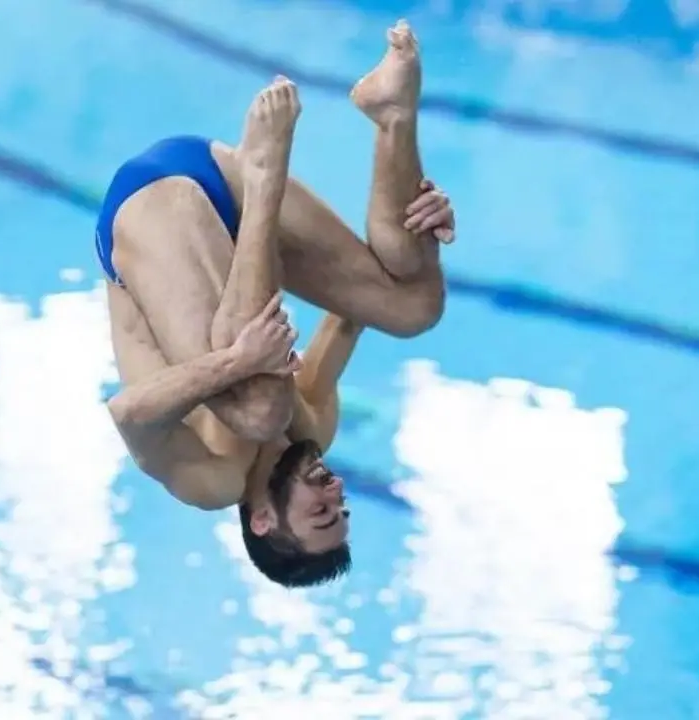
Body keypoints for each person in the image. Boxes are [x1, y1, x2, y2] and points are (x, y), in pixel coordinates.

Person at [98, 20, 455, 588]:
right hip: (224, 186)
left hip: (154, 209)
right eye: (341, 509)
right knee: (412, 308)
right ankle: (391, 114)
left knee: (259, 405)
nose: (335, 493)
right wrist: (424, 232)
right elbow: (351, 314)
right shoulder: (316, 426)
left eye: (319, 513)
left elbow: (129, 413)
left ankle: (265, 174)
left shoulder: (211, 482)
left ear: (263, 520)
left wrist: (237, 364)